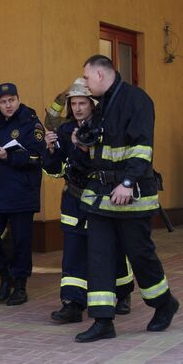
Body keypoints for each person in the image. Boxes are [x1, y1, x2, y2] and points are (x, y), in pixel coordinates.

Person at [74, 55, 178, 342]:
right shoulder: (104, 104)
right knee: (99, 256)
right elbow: (105, 144)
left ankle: (164, 303)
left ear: (99, 74)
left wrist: (128, 183)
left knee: (140, 254)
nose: (84, 83)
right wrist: (84, 141)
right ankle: (103, 321)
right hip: (102, 197)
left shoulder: (136, 100)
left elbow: (142, 148)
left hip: (130, 195)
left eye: (85, 77)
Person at [43, 79, 134, 323]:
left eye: (82, 103)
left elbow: (109, 164)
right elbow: (55, 170)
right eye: (73, 104)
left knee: (111, 248)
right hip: (73, 199)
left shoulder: (106, 128)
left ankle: (123, 292)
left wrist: (83, 149)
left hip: (102, 198)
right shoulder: (64, 130)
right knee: (73, 253)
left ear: (92, 104)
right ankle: (72, 303)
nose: (77, 108)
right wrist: (50, 152)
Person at [0, 83, 46, 306]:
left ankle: (20, 285)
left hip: (21, 192)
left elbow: (37, 157)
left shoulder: (30, 122)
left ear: (18, 99)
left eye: (11, 100)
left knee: (21, 242)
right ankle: (4, 275)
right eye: (3, 102)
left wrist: (8, 157)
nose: (8, 105)